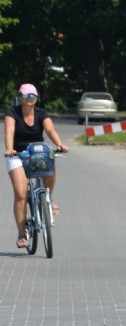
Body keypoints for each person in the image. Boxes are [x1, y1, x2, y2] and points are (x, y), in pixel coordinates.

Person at [4, 83, 69, 249]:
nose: (29, 99)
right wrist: (9, 149)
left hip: (37, 153)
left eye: (32, 96)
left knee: (50, 162)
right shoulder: (12, 113)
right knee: (21, 193)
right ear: (20, 97)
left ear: (36, 98)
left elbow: (50, 130)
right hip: (18, 155)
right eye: (25, 96)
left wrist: (60, 144)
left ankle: (49, 197)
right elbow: (9, 131)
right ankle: (21, 234)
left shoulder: (41, 113)